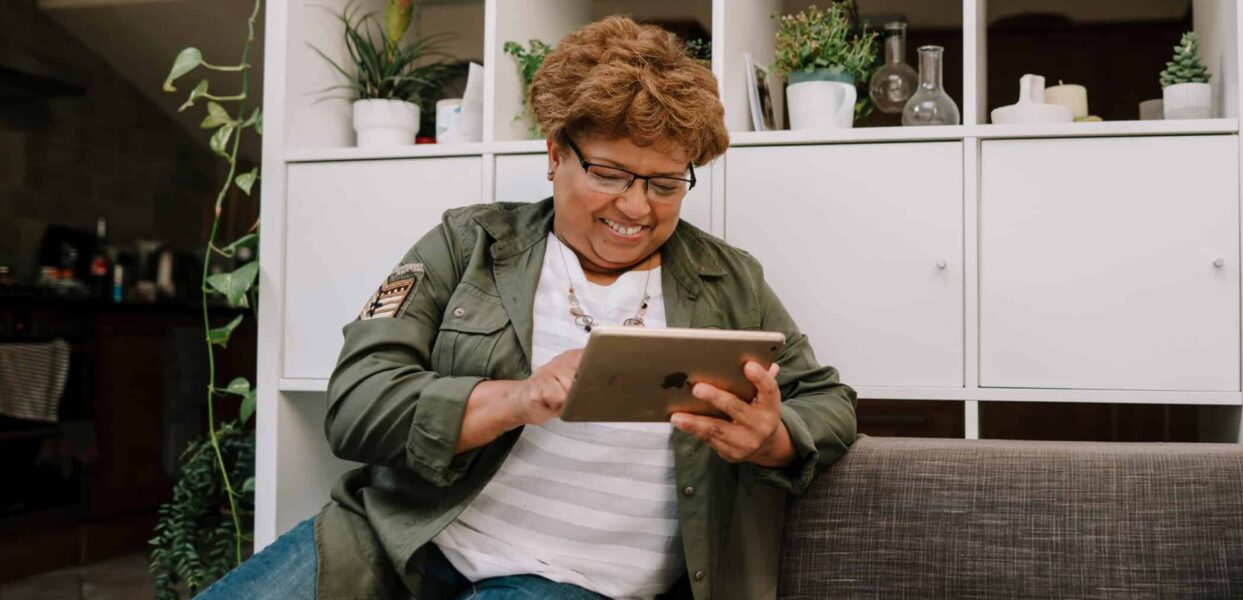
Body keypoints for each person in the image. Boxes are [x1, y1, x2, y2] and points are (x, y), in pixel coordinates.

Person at [199, 16, 857, 600]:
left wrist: (771, 439)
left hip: (571, 582)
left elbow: (829, 403)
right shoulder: (465, 244)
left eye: (664, 184)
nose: (637, 208)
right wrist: (519, 399)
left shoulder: (728, 280)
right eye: (609, 175)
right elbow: (356, 405)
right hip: (393, 547)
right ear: (553, 155)